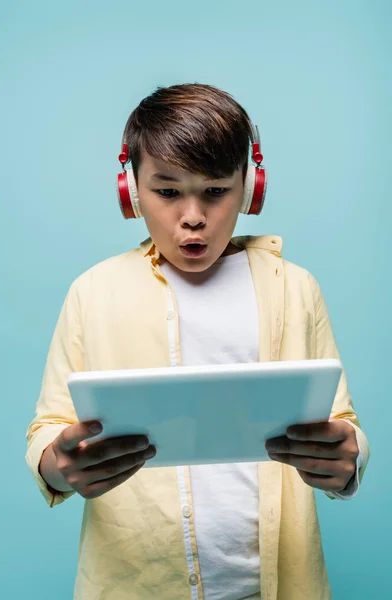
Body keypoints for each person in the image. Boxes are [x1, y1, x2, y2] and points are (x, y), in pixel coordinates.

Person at [25, 83, 370, 600]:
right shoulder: (92, 292)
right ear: (130, 190)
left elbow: (342, 425)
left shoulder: (294, 287)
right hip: (136, 585)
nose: (192, 216)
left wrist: (350, 460)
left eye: (215, 191)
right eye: (167, 191)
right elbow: (47, 430)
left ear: (250, 189)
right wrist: (59, 465)